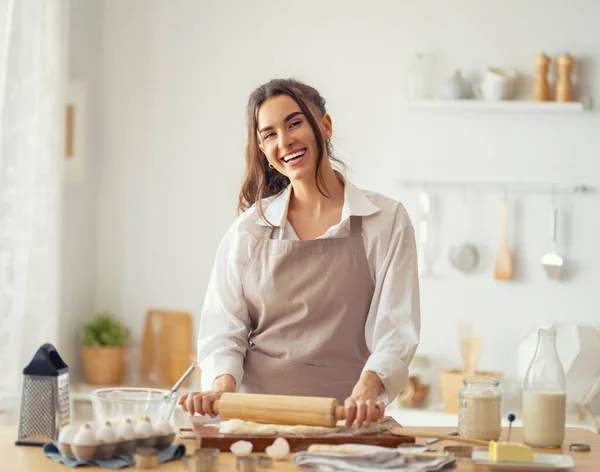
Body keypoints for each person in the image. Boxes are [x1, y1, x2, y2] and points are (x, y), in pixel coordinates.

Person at [178, 78, 420, 427]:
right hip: (253, 420)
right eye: (269, 134)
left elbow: (396, 329)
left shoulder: (385, 220)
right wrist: (221, 388)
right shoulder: (249, 230)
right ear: (263, 149)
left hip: (344, 419)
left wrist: (368, 390)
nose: (285, 141)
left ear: (325, 125)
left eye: (294, 123)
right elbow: (224, 330)